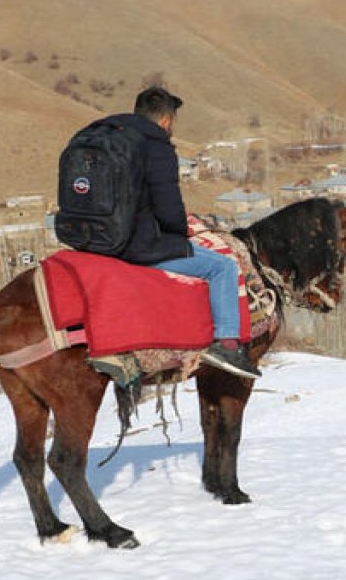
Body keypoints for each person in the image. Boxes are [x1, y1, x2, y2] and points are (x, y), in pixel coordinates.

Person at [107, 86, 261, 379]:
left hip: (100, 243)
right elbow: (168, 209)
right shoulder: (156, 147)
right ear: (166, 120)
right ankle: (227, 346)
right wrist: (178, 233)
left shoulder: (113, 141)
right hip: (138, 248)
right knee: (223, 267)